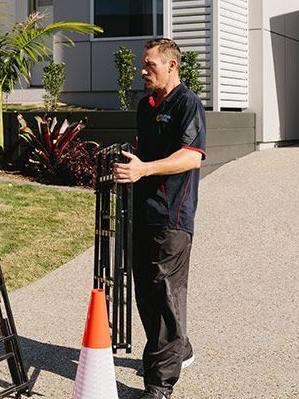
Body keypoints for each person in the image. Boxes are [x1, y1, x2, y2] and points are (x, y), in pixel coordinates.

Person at [114, 38, 206, 399]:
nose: (142, 70)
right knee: (147, 293)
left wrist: (145, 170)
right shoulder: (145, 106)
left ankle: (159, 383)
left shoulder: (188, 103)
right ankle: (177, 348)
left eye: (150, 65)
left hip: (172, 216)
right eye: (143, 64)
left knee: (165, 292)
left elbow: (192, 157)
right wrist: (128, 167)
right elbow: (144, 154)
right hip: (143, 212)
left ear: (171, 66)